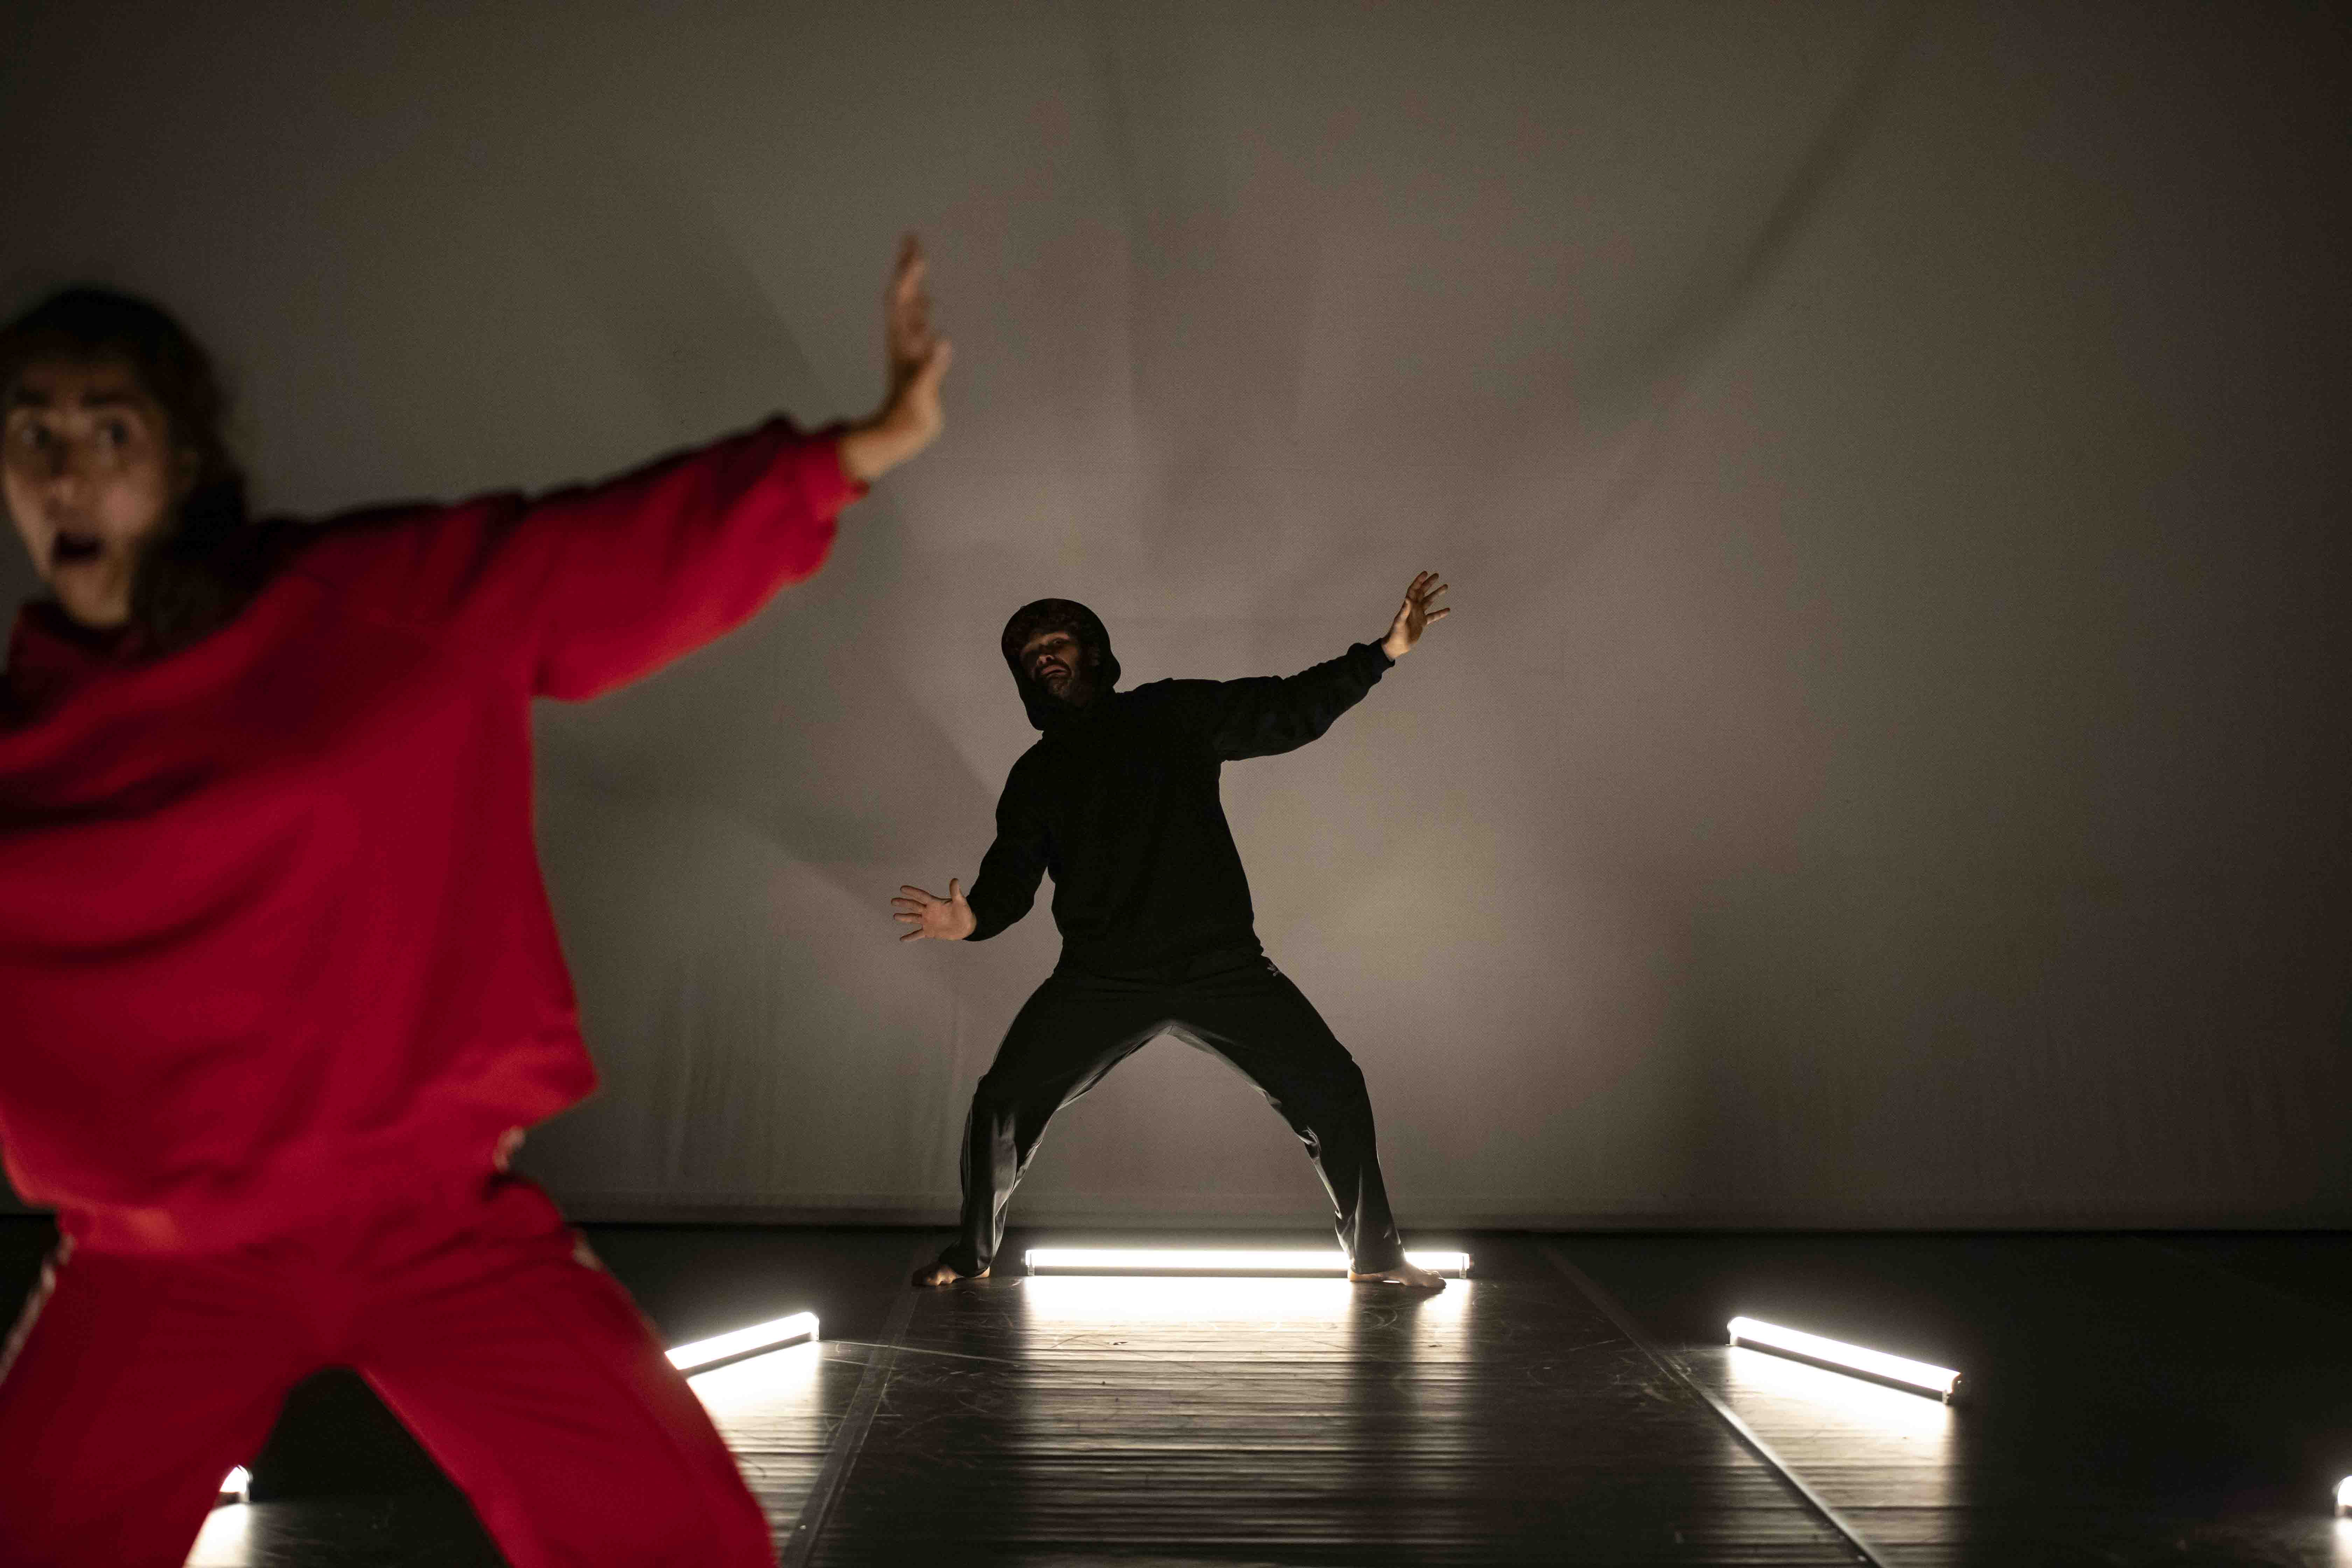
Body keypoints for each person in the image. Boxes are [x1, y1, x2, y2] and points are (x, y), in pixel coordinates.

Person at [0, 237, 950, 1567]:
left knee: (675, 1538)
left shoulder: (357, 605)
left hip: (429, 1222)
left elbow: (593, 554)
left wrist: (854, 449)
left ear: (184, 461)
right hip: (163, 1257)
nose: (64, 469)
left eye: (110, 427)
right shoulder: (21, 744)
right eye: (30, 430)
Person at [893, 573, 1453, 1291]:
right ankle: (970, 1254)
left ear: (1093, 651)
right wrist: (969, 917)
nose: (1043, 656)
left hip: (1223, 967)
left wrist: (1385, 652)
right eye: (1029, 652)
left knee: (1334, 1086)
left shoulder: (1171, 712)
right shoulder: (1035, 776)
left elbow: (1284, 707)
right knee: (1001, 1100)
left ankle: (1376, 1257)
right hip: (1101, 977)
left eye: (1056, 641)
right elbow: (1011, 877)